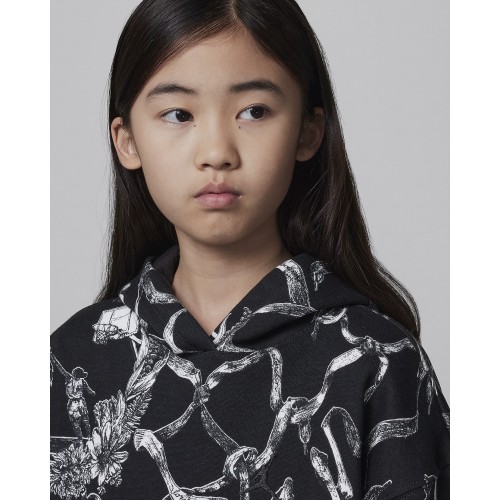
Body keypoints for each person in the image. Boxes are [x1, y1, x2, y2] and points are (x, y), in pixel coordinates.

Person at [50, 1, 450, 499]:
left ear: (308, 130)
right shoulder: (69, 360)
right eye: (178, 114)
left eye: (254, 111)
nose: (216, 152)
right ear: (127, 140)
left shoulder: (377, 362)